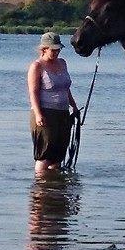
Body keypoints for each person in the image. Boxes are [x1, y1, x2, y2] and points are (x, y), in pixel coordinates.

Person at [27, 32, 78, 174]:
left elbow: (66, 88)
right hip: (45, 113)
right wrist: (38, 114)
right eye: (53, 50)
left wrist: (73, 106)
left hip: (63, 113)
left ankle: (55, 190)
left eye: (58, 49)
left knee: (58, 154)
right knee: (45, 154)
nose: (56, 52)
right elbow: (33, 92)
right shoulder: (37, 66)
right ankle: (41, 187)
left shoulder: (63, 63)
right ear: (44, 49)